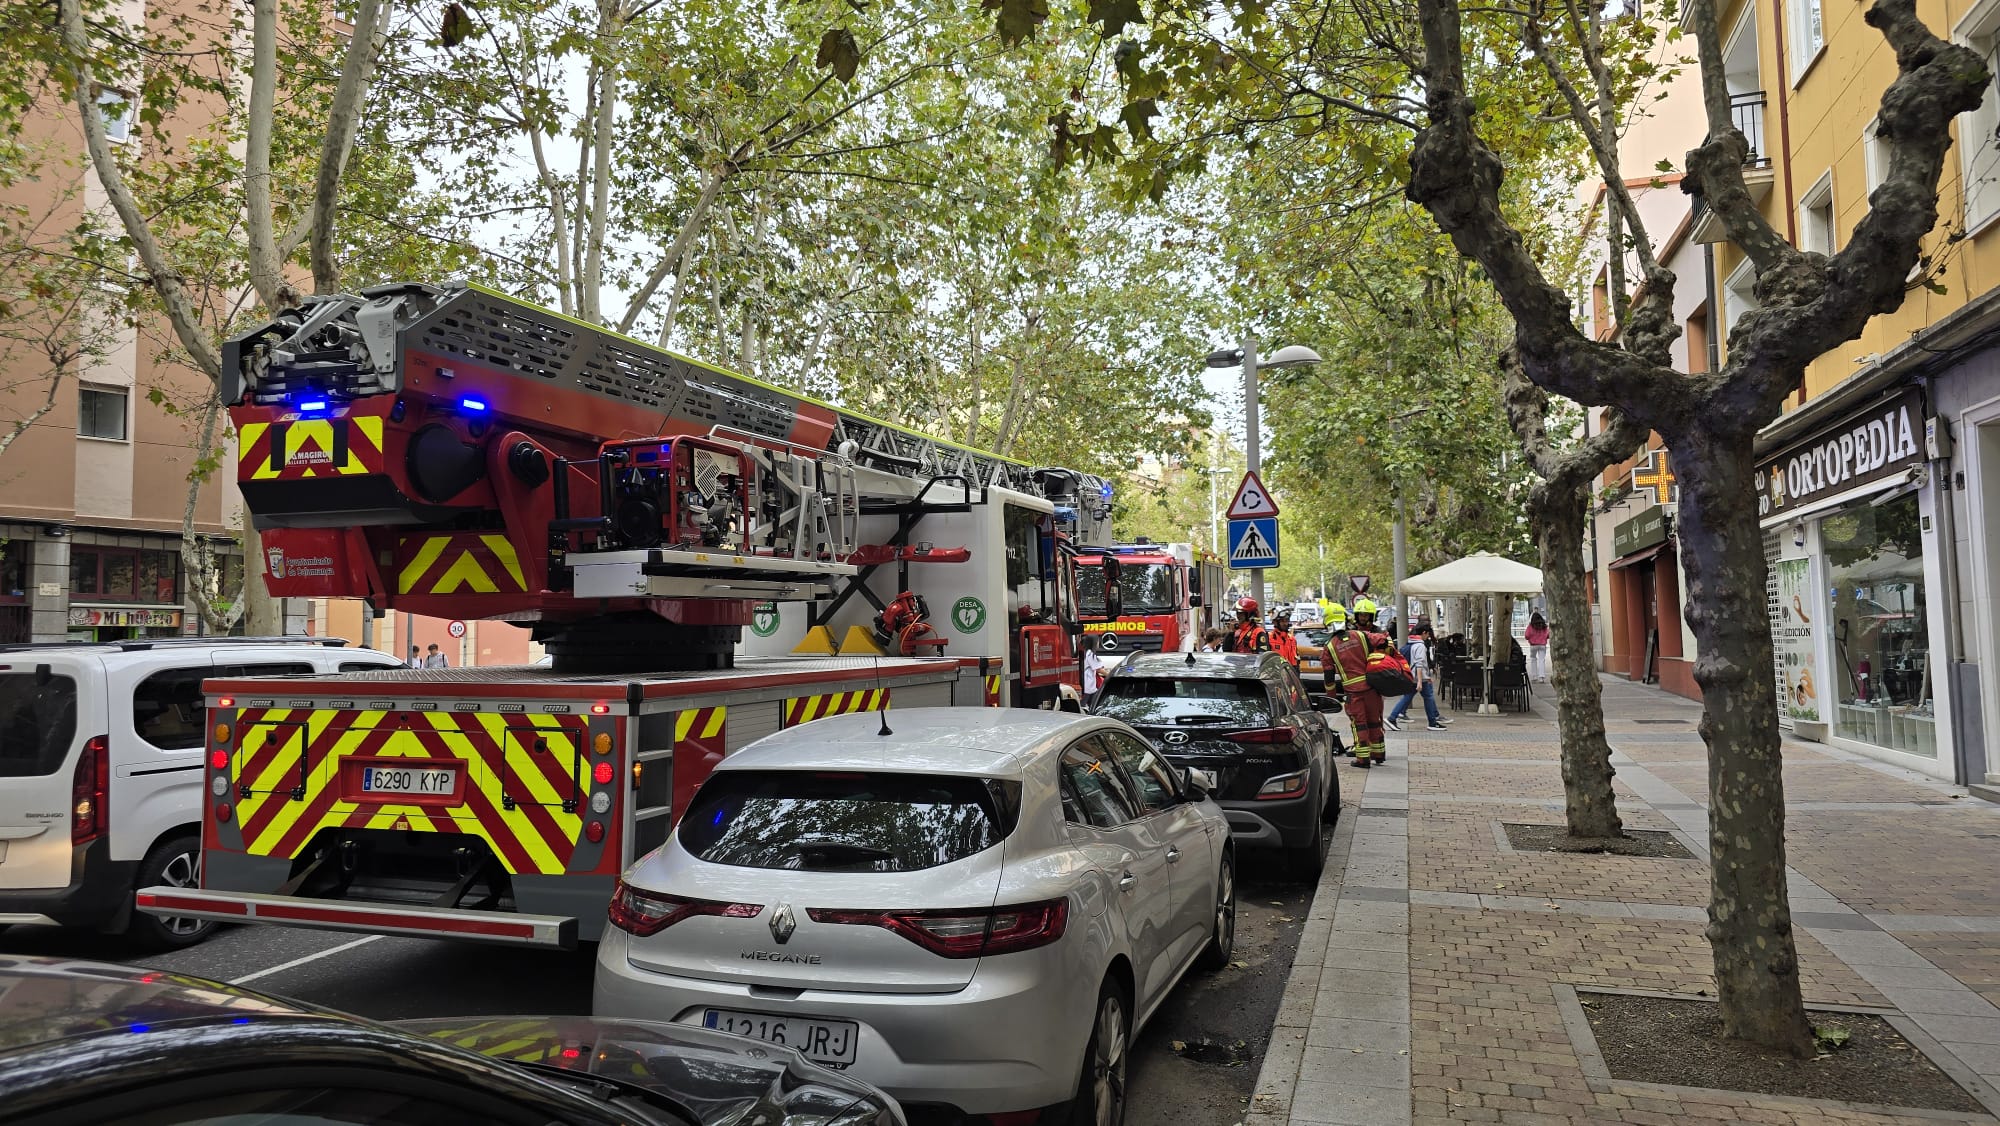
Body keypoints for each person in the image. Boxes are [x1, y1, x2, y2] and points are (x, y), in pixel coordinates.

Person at [1332, 598, 1389, 767]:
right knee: (1364, 720)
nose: (1363, 618)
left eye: (1366, 615)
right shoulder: (1352, 632)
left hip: (1373, 680)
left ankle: (1372, 752)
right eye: (1361, 615)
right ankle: (1367, 750)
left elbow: (1386, 648)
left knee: (1372, 719)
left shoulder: (1378, 632)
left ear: (1372, 616)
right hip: (1360, 682)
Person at [1386, 623, 1449, 733]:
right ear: (1424, 633)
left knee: (1414, 697)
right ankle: (1432, 722)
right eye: (1427, 635)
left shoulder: (1411, 643)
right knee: (1425, 697)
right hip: (1418, 677)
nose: (1428, 637)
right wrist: (1420, 680)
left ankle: (1393, 717)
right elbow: (1419, 663)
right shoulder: (1420, 646)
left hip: (1414, 676)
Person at [1525, 611, 1551, 681]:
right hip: (1542, 645)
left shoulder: (1531, 626)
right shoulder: (1544, 625)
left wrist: (1531, 638)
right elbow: (1548, 635)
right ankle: (1541, 677)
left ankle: (1534, 676)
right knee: (1541, 660)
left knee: (1533, 659)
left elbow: (1527, 635)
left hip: (1533, 645)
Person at [1082, 643, 1107, 708]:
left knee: (1091, 704)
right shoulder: (1090, 653)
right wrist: (1110, 674)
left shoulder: (1085, 652)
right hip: (1089, 685)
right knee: (1092, 705)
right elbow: (1099, 669)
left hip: (1087, 685)